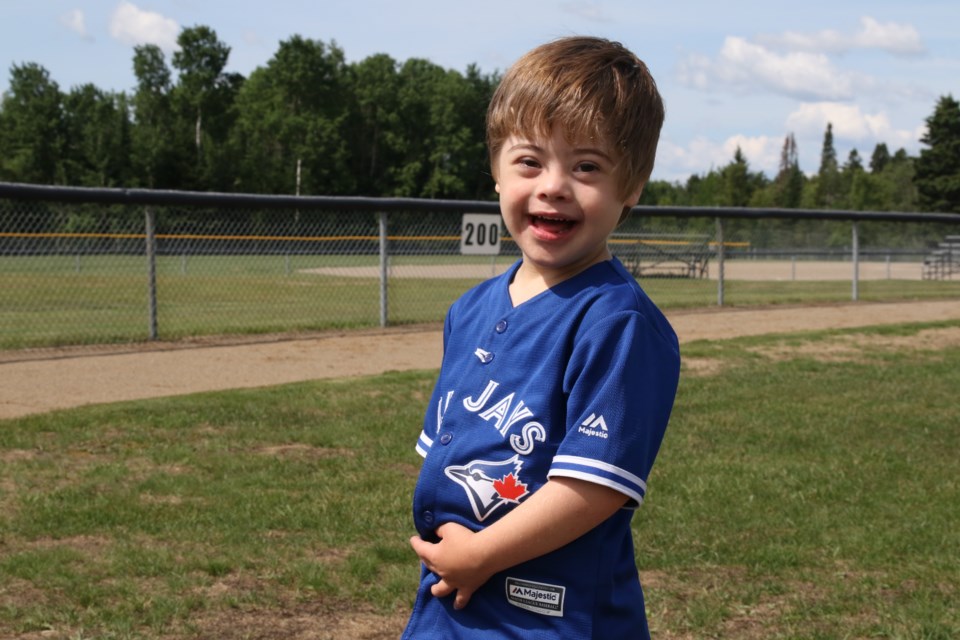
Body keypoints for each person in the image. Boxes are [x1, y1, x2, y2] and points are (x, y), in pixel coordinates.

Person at [402, 36, 680, 639]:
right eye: (529, 161)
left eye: (587, 166)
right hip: (455, 606)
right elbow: (450, 455)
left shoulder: (617, 323)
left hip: (553, 615)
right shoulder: (470, 309)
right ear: (497, 174)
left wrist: (480, 555)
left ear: (630, 187)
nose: (554, 185)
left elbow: (591, 490)